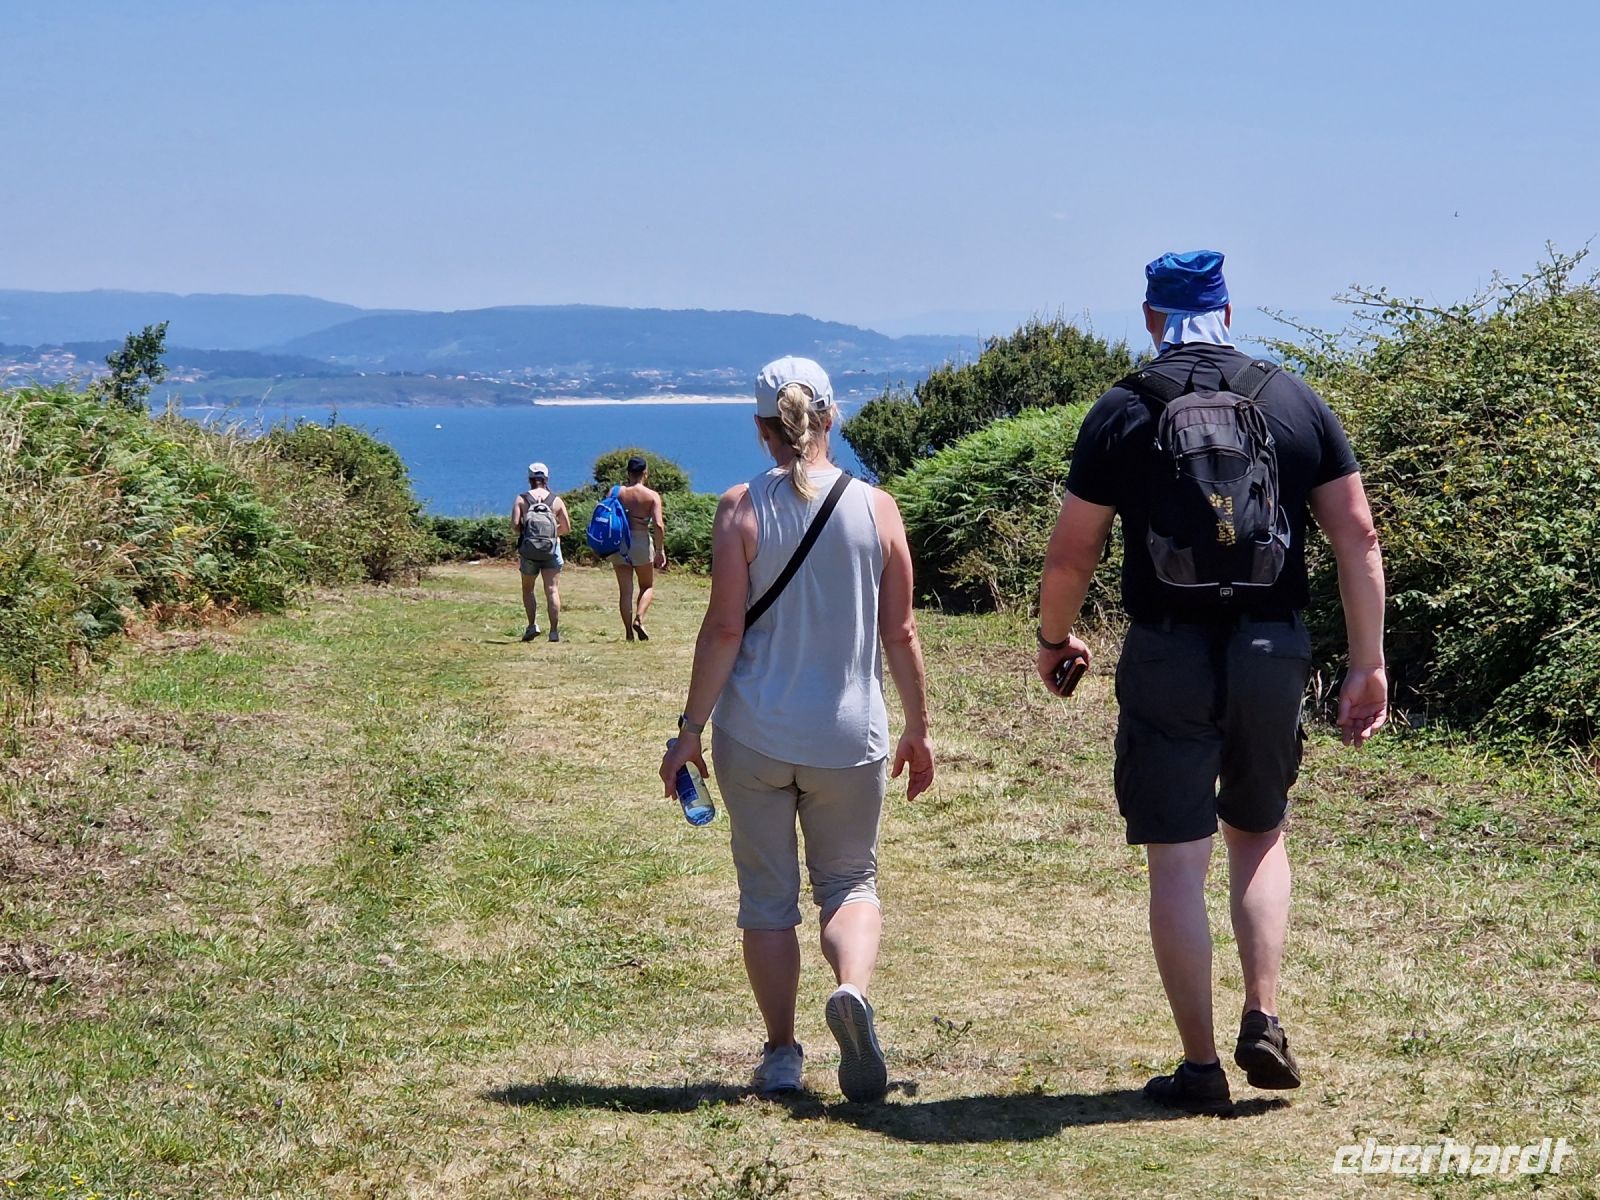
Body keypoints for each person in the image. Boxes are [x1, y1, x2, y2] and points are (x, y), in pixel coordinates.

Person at [1035, 251, 1388, 1112]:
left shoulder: (1124, 409)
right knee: (1259, 833)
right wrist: (1368, 660)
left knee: (1176, 865)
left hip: (1167, 653)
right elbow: (1358, 537)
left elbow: (1075, 548)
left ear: (1153, 315)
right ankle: (1263, 1015)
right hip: (1272, 649)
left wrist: (1053, 637)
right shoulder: (1291, 399)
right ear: (1227, 309)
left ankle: (1199, 1069)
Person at [660, 356, 935, 1102]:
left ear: (761, 429)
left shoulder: (738, 508)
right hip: (850, 735)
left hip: (754, 734)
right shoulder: (877, 508)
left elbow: (722, 631)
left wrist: (689, 729)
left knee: (767, 900)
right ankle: (851, 989)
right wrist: (917, 726)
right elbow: (901, 632)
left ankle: (782, 1052)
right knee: (850, 882)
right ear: (831, 419)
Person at [511, 462, 571, 643]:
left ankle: (532, 625)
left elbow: (515, 527)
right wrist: (552, 535)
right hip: (552, 550)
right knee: (552, 589)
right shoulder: (556, 500)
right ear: (546, 478)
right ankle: (553, 632)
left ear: (529, 479)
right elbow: (567, 528)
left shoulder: (521, 499)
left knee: (528, 589)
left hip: (529, 551)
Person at [612, 454, 668, 641]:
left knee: (625, 591)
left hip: (620, 542)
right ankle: (639, 618)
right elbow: (659, 525)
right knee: (647, 586)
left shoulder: (616, 492)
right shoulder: (652, 496)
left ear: (628, 473)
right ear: (645, 473)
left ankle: (628, 633)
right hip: (641, 540)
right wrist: (660, 550)